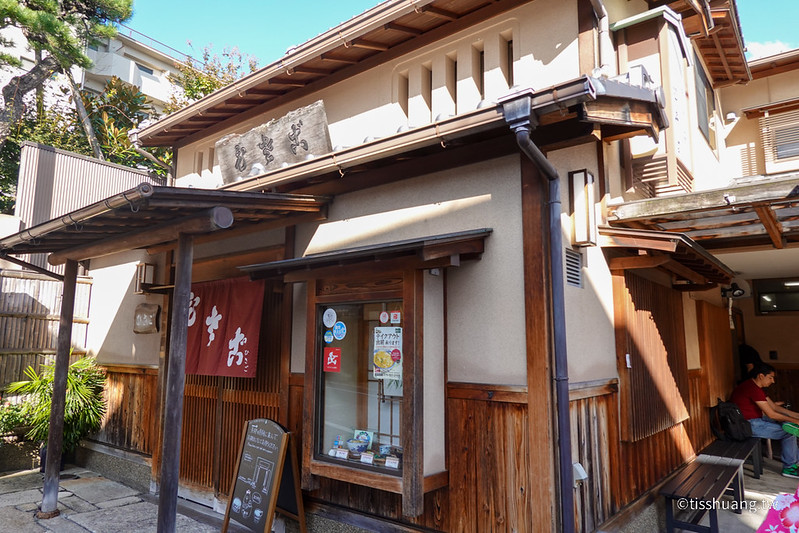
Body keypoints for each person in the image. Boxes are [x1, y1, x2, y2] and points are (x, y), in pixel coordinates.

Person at [729, 362, 799, 478]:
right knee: (788, 431)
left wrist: (797, 416)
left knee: (789, 425)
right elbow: (771, 414)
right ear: (761, 376)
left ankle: (793, 463)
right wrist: (795, 421)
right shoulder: (752, 389)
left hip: (754, 421)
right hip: (748, 425)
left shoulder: (755, 387)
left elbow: (775, 407)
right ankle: (789, 468)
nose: (773, 381)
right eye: (770, 377)